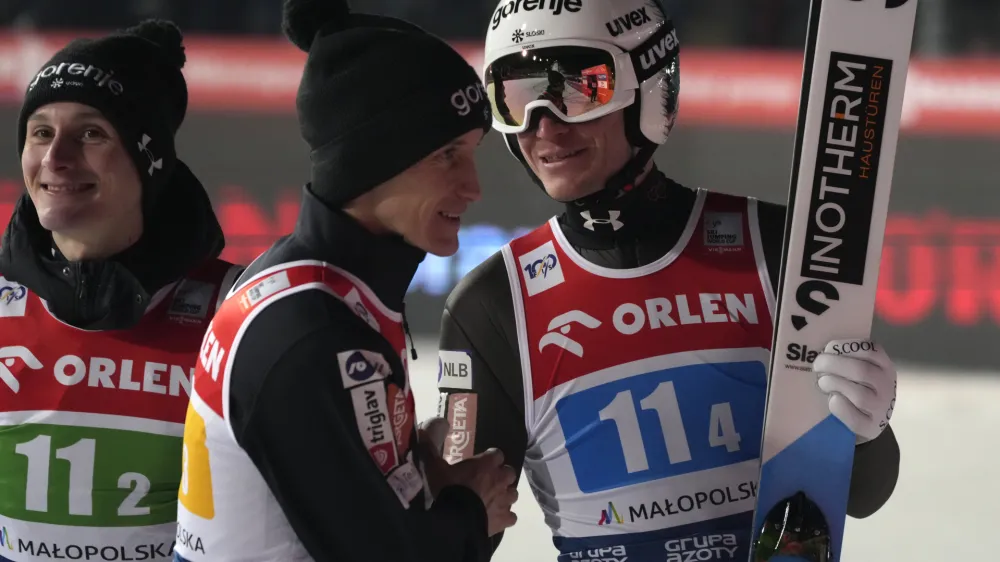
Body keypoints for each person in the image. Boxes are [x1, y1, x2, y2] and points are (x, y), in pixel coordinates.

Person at [436, 1, 901, 561]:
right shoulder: (493, 307)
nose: (546, 126)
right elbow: (458, 541)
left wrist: (866, 431)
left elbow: (859, 493)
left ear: (649, 90)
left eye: (582, 88)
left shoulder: (777, 246)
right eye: (514, 98)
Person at [173, 1, 517, 561]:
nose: (472, 186)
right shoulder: (307, 330)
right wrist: (469, 511)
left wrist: (428, 483)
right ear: (373, 159)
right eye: (446, 154)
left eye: (471, 154)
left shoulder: (323, 289)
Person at [0, 19, 241, 562]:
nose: (55, 158)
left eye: (90, 133)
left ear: (147, 162)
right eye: (40, 132)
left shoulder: (234, 311)